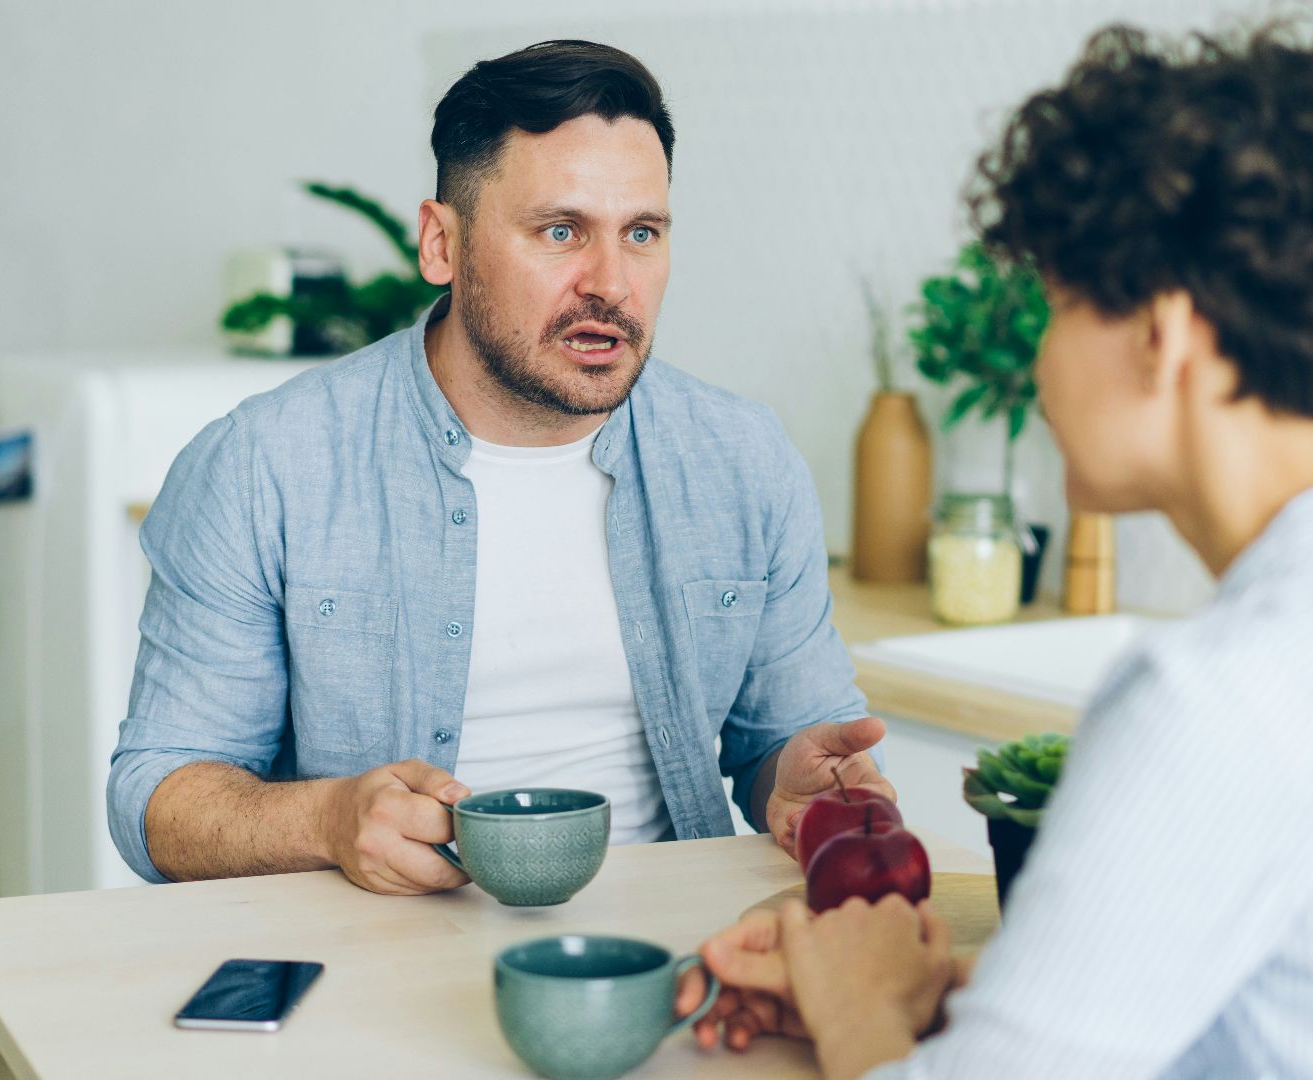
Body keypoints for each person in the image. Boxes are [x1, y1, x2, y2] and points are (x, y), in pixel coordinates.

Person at [678, 19, 1313, 1078]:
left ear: (1162, 336)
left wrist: (858, 999)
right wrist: (938, 1001)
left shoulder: (1228, 695)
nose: (1041, 361)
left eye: (1055, 303)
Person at [107, 39, 892, 895]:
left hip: (671, 947)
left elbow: (787, 742)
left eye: (642, 233)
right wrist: (327, 820)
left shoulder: (744, 460)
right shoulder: (264, 467)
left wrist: (800, 787)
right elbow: (158, 797)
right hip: (378, 949)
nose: (612, 284)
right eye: (561, 232)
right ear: (442, 244)